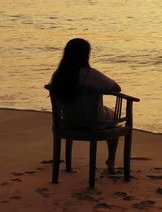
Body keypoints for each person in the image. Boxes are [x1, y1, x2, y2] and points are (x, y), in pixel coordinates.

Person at [50, 38, 121, 173]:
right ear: (86, 55)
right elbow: (117, 88)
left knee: (106, 113)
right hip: (93, 124)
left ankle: (68, 165)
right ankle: (111, 160)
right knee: (113, 116)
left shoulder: (58, 75)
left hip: (67, 123)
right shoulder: (91, 74)